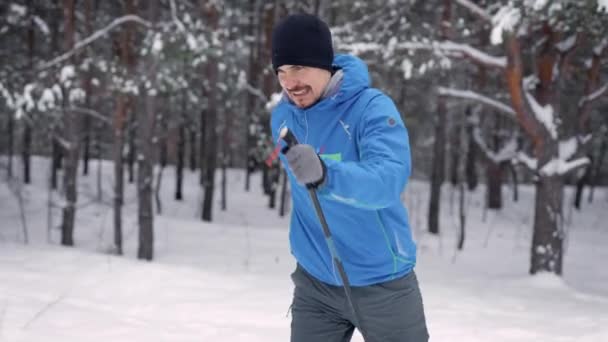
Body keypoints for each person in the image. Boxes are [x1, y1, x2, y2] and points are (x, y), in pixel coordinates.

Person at [269, 13, 429, 342]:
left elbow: (388, 179)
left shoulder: (370, 108)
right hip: (315, 283)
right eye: (281, 72)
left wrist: (328, 173)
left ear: (323, 63)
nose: (289, 82)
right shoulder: (283, 116)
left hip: (383, 282)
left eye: (298, 68)